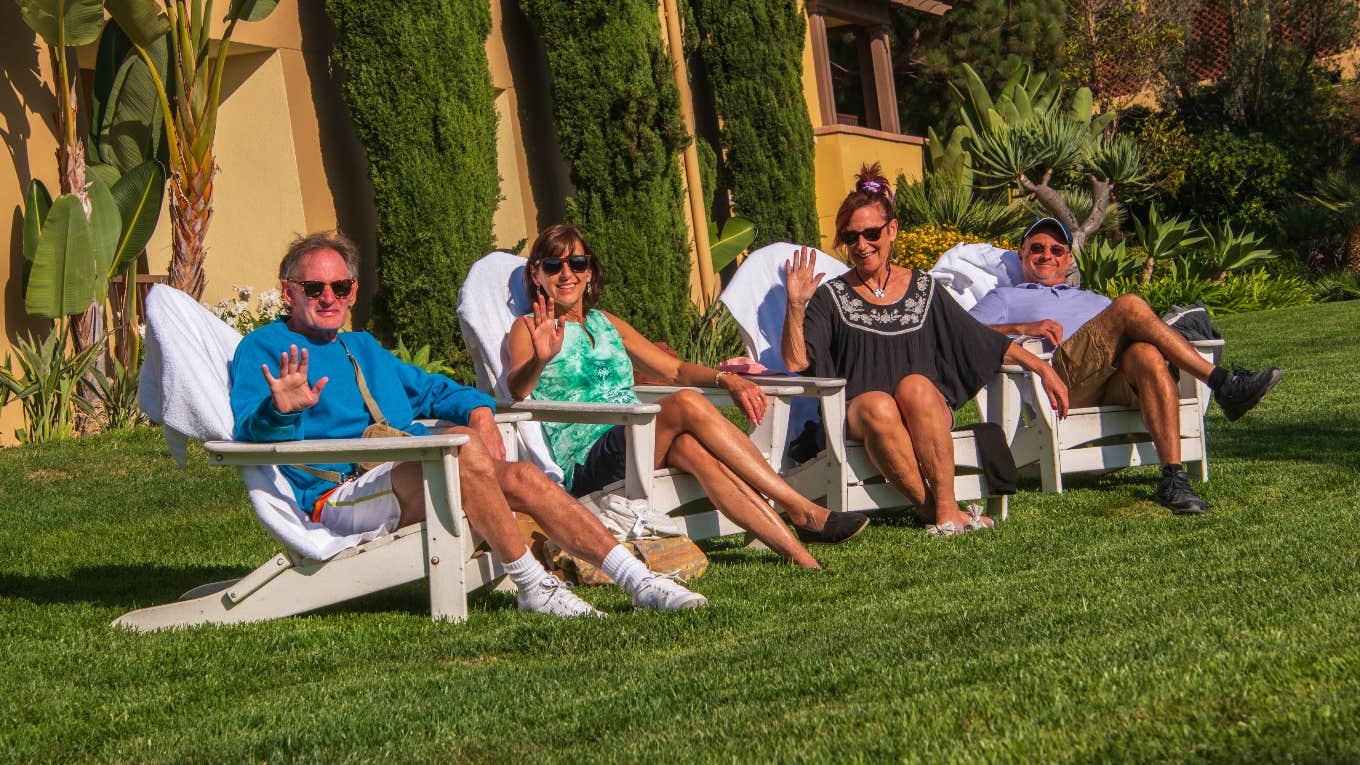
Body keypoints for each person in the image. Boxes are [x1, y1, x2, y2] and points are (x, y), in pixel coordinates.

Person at [229, 231, 708, 617]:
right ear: (289, 291)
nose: (329, 297)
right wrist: (281, 410)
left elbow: (436, 389)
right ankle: (530, 583)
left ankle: (638, 580)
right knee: (458, 452)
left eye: (341, 287)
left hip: (414, 464)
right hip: (341, 490)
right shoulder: (265, 350)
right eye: (315, 288)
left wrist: (479, 409)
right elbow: (250, 435)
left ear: (353, 291)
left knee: (521, 476)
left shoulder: (363, 348)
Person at [506, 224, 868, 570]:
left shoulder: (605, 323)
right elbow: (517, 390)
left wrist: (724, 378)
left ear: (589, 273)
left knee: (694, 452)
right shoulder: (527, 328)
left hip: (640, 438)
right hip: (589, 459)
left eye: (577, 263)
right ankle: (798, 506)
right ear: (537, 274)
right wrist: (540, 358)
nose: (566, 273)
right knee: (684, 402)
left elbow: (674, 370)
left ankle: (800, 554)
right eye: (553, 265)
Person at [781, 164, 1069, 536]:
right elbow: (796, 361)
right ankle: (936, 510)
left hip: (924, 408)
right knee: (879, 403)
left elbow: (977, 337)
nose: (862, 245)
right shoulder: (830, 298)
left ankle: (945, 511)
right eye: (851, 238)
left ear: (892, 230)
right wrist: (795, 306)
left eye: (871, 233)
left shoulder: (922, 287)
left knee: (914, 385)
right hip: (860, 416)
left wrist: (1042, 369)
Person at [969, 217, 1283, 515]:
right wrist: (1024, 327)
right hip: (1059, 382)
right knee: (1129, 304)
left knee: (1146, 353)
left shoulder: (1094, 300)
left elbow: (1138, 328)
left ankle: (1173, 479)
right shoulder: (1005, 297)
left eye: (1056, 250)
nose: (1046, 255)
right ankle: (1224, 383)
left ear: (1067, 261)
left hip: (1113, 382)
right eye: (1037, 248)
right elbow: (960, 334)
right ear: (1021, 254)